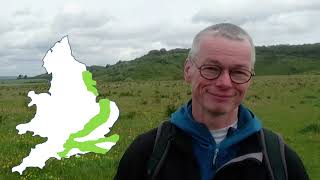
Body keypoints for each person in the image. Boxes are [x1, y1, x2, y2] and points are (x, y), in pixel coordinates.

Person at [114, 23, 309, 180]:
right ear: (188, 70)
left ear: (251, 78)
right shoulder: (147, 153)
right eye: (211, 68)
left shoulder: (280, 160)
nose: (224, 83)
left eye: (238, 72)